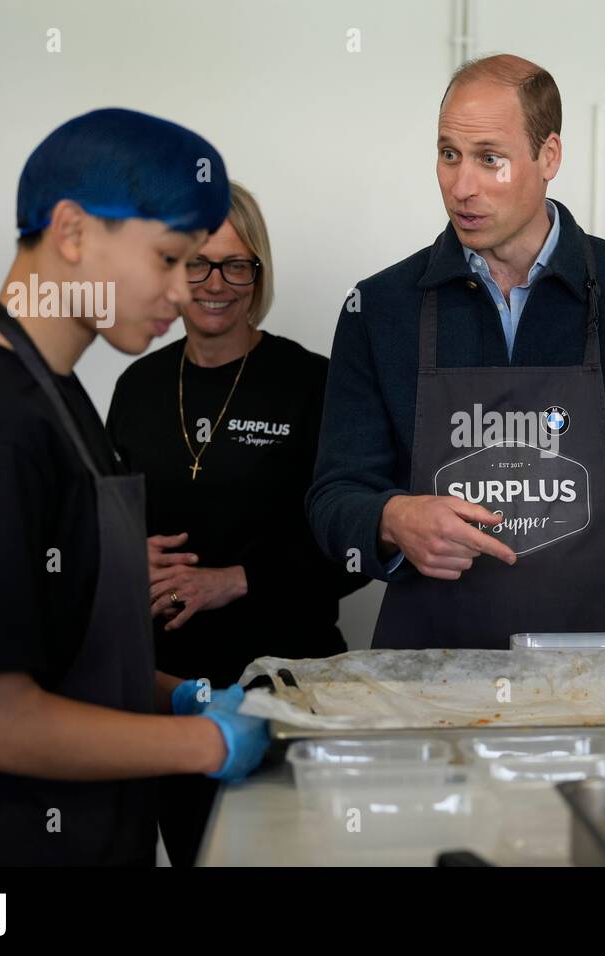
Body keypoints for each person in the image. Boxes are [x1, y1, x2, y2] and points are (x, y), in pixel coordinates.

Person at [0, 109, 270, 868]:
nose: (185, 293)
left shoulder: (61, 399)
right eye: (172, 258)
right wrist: (201, 740)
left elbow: (66, 653)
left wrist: (180, 692)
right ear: (74, 232)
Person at [307, 54, 605, 663]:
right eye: (449, 154)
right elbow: (333, 497)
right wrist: (392, 518)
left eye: (489, 158)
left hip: (601, 679)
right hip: (426, 684)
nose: (461, 185)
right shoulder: (380, 308)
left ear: (549, 156)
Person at [106, 181, 367, 865]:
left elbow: (355, 547)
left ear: (259, 273)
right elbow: (95, 532)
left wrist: (237, 580)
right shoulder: (137, 388)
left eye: (237, 264)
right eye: (196, 262)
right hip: (166, 692)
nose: (216, 283)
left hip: (286, 686)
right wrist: (126, 561)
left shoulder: (315, 384)